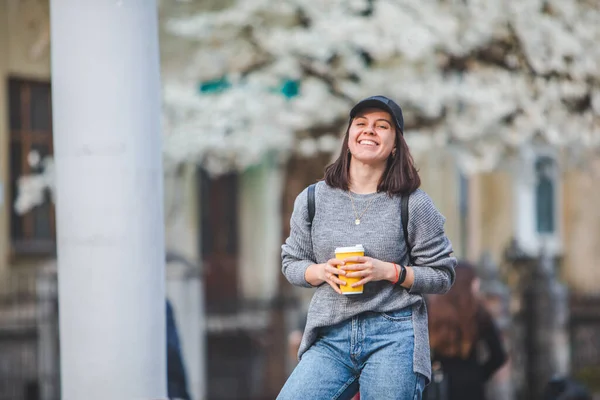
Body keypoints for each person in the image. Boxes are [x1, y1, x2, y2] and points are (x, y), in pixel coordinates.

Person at [278, 95, 457, 399]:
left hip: (394, 336)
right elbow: (291, 263)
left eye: (381, 126)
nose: (369, 130)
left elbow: (443, 274)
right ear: (348, 138)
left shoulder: (413, 203)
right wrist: (321, 271)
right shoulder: (312, 199)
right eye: (361, 124)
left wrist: (389, 271)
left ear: (396, 143)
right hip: (330, 335)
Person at [425, 261, 507, 400]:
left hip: (441, 384)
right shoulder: (479, 313)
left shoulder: (433, 311)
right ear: (469, 282)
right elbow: (498, 356)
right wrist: (479, 374)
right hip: (471, 387)